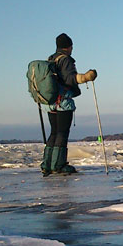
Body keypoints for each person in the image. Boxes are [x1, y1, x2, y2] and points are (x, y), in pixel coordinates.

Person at [40, 33, 97, 175]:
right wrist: (86, 77)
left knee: (54, 132)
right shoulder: (65, 60)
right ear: (68, 46)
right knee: (62, 132)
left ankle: (47, 164)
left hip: (50, 102)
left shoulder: (51, 59)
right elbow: (70, 78)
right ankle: (59, 165)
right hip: (62, 102)